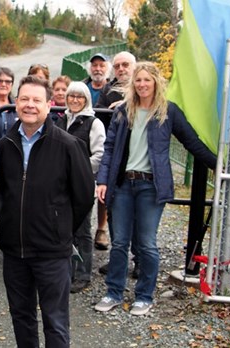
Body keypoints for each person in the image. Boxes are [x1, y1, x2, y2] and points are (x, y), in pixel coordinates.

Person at [94, 62, 216, 316]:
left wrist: (218, 165)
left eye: (147, 80)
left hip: (151, 186)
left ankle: (144, 295)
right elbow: (109, 148)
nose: (142, 85)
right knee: (119, 243)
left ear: (156, 82)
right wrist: (103, 180)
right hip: (123, 184)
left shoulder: (168, 112)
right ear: (133, 84)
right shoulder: (123, 112)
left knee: (147, 243)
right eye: (138, 80)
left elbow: (191, 142)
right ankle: (113, 292)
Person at [0, 75, 94, 347]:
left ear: (49, 105)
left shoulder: (68, 145)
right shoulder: (5, 145)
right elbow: (4, 190)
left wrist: (60, 227)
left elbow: (84, 197)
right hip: (15, 251)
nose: (30, 105)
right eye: (24, 99)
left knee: (56, 321)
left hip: (52, 252)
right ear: (16, 103)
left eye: (36, 100)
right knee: (21, 317)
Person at [54, 81, 106, 293]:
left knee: (82, 229)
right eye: (71, 96)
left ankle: (83, 274)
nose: (75, 100)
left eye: (80, 97)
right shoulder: (61, 120)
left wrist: (78, 170)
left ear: (86, 100)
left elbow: (99, 154)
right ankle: (65, 271)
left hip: (82, 184)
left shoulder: (94, 123)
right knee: (62, 227)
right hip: (60, 184)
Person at [95, 51, 137, 276]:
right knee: (114, 211)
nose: (121, 69)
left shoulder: (146, 87)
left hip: (141, 163)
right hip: (117, 161)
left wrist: (129, 103)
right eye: (118, 66)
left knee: (140, 216)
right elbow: (100, 119)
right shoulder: (107, 91)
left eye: (126, 65)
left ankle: (139, 260)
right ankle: (117, 260)